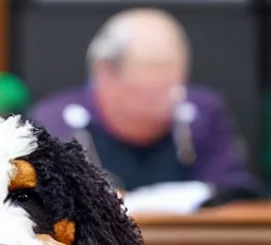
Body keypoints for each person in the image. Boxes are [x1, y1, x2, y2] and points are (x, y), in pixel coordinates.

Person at [30, 9, 259, 196]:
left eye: (174, 85)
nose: (167, 100)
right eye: (148, 91)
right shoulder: (54, 126)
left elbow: (235, 195)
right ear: (105, 73)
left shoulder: (204, 115)